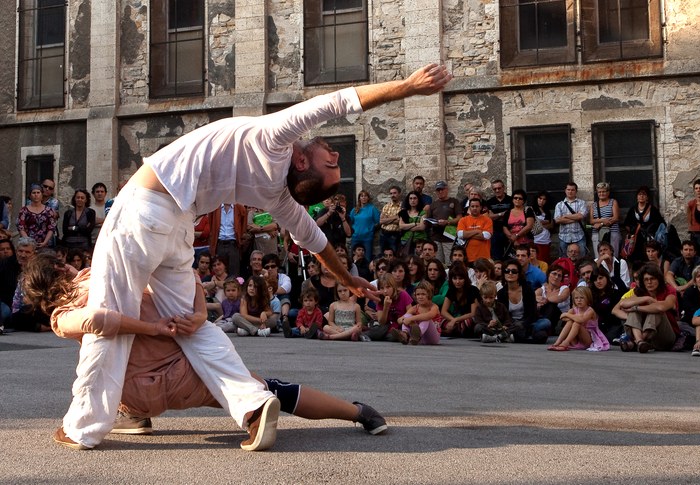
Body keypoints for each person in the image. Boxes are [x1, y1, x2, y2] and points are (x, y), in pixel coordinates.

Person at [61, 65, 450, 449]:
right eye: (335, 161)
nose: (334, 153)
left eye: (331, 162)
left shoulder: (273, 138)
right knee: (194, 326)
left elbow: (337, 102)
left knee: (109, 308)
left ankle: (84, 426)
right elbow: (316, 242)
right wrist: (348, 279)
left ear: (302, 163)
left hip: (145, 209)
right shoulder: (279, 198)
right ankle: (253, 404)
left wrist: (408, 87)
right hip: (179, 227)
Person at [22, 253, 387, 445]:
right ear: (62, 266)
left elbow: (96, 320)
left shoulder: (61, 316)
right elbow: (185, 276)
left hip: (133, 392)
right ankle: (358, 413)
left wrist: (145, 329)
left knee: (100, 367)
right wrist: (194, 316)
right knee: (262, 389)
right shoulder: (108, 274)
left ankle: (132, 418)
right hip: (185, 375)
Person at [613, 264, 679, 353]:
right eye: (646, 280)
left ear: (659, 279)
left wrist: (637, 308)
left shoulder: (669, 290)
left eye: (652, 279)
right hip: (644, 334)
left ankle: (636, 342)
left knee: (654, 310)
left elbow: (661, 307)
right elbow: (623, 304)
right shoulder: (640, 291)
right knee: (633, 311)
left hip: (664, 336)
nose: (649, 282)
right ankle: (640, 342)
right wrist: (647, 298)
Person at [496, 258, 551, 344]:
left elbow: (533, 314)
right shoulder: (501, 293)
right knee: (538, 334)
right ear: (504, 273)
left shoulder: (527, 290)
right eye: (507, 271)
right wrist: (512, 324)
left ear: (519, 274)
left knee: (546, 322)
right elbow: (503, 316)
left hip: (528, 322)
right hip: (511, 323)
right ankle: (523, 335)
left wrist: (523, 324)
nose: (510, 273)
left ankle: (514, 335)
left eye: (514, 271)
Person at [548, 287, 609, 351]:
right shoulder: (573, 310)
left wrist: (567, 314)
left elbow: (581, 320)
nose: (579, 300)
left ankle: (566, 342)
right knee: (570, 322)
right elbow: (562, 318)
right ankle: (558, 341)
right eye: (576, 298)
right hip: (576, 339)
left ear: (588, 298)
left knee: (577, 323)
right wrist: (571, 318)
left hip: (588, 339)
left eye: (582, 298)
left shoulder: (590, 311)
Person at [622, 186, 665, 264]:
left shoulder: (652, 209)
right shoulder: (633, 209)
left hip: (648, 236)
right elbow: (627, 223)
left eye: (644, 195)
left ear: (647, 197)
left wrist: (651, 229)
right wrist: (632, 230)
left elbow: (660, 223)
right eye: (639, 194)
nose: (641, 196)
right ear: (637, 197)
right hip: (636, 238)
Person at [367, 273, 413, 342]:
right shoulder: (380, 299)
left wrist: (402, 319)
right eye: (382, 288)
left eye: (388, 287)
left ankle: (401, 336)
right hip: (388, 327)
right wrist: (386, 307)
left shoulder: (403, 294)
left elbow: (410, 312)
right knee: (378, 332)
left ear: (393, 287)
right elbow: (381, 322)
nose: (385, 291)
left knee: (391, 336)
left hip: (402, 325)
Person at [440, 262, 479, 337]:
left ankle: (451, 331)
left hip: (470, 318)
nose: (457, 282)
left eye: (460, 278)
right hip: (458, 320)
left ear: (465, 279)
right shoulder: (451, 290)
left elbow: (473, 313)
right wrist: (452, 320)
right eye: (455, 278)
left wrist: (455, 320)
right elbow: (443, 311)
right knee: (439, 319)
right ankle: (455, 330)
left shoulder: (472, 290)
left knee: (469, 321)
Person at [397, 281, 441, 345]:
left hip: (432, 338)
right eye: (418, 294)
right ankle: (405, 334)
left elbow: (429, 315)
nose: (420, 297)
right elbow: (399, 320)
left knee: (425, 319)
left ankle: (417, 335)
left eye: (423, 294)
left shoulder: (434, 307)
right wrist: (404, 320)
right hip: (419, 340)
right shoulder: (415, 308)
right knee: (408, 315)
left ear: (429, 294)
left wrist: (411, 319)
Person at [428, 180, 461, 263]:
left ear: (447, 189)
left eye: (442, 189)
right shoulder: (433, 204)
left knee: (449, 261)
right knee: (438, 262)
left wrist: (447, 222)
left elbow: (459, 218)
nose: (440, 191)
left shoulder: (454, 201)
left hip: (449, 236)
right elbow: (428, 219)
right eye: (438, 190)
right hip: (436, 237)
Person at [554, 182, 588, 258]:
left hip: (579, 236)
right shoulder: (559, 205)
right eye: (568, 189)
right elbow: (558, 220)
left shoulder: (582, 203)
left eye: (572, 190)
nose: (570, 191)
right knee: (564, 259)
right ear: (565, 191)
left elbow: (581, 216)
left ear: (576, 191)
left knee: (582, 259)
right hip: (564, 236)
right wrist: (575, 218)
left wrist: (565, 216)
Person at [589, 267, 623, 342]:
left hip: (613, 326)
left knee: (607, 339)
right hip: (596, 326)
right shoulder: (590, 295)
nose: (598, 281)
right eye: (595, 280)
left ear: (607, 278)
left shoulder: (616, 293)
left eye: (600, 278)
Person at [17, 184, 56, 249]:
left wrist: (45, 242)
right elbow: (21, 227)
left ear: (42, 195)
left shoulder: (48, 210)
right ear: (30, 195)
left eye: (38, 192)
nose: (36, 195)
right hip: (28, 244)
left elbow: (51, 228)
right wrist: (29, 242)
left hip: (45, 244)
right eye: (34, 193)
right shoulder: (24, 210)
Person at [589, 182, 621, 257]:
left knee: (613, 255)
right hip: (597, 233)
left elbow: (615, 218)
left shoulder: (613, 202)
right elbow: (591, 221)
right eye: (599, 192)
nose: (601, 194)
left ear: (608, 192)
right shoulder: (593, 205)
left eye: (603, 191)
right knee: (598, 256)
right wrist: (603, 220)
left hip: (612, 232)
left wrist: (600, 223)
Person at [535, 265, 571, 331]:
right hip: (542, 316)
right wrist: (537, 302)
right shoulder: (541, 290)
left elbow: (561, 298)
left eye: (559, 275)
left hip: (559, 320)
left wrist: (545, 300)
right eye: (554, 274)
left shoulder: (565, 289)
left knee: (552, 305)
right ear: (548, 274)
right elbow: (533, 297)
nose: (556, 277)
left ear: (561, 279)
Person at [457, 198, 493, 264]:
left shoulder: (487, 220)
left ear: (481, 207)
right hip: (468, 257)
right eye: (472, 206)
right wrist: (477, 231)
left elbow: (486, 236)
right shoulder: (463, 220)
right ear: (469, 208)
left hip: (483, 258)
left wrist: (467, 234)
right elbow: (460, 235)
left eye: (477, 206)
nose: (474, 208)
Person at [349, 191, 380, 261]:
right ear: (359, 198)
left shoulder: (372, 209)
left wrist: (370, 229)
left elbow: (378, 222)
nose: (364, 198)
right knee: (353, 259)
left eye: (365, 196)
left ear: (368, 198)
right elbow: (350, 221)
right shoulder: (355, 210)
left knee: (367, 258)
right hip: (355, 237)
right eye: (362, 196)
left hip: (367, 238)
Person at [487, 180, 513, 261]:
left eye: (499, 188)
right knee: (496, 257)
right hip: (495, 232)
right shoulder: (490, 202)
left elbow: (512, 215)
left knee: (510, 256)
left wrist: (496, 215)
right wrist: (502, 214)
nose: (497, 190)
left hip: (509, 230)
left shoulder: (511, 200)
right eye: (495, 189)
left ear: (503, 188)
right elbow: (490, 217)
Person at [502, 190, 535, 255]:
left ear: (523, 201)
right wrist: (512, 238)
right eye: (515, 198)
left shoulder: (528, 210)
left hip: (527, 242)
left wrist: (516, 236)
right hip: (511, 243)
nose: (517, 200)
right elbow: (504, 227)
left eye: (520, 198)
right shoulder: (507, 212)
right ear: (512, 199)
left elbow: (529, 226)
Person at [531, 190, 553, 265]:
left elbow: (551, 225)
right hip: (536, 240)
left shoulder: (547, 211)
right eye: (540, 198)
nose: (542, 201)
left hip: (546, 239)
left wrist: (540, 222)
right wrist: (545, 222)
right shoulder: (531, 209)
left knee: (545, 262)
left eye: (544, 199)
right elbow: (532, 222)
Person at [378, 186, 402, 254]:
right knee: (383, 255)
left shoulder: (402, 207)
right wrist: (394, 217)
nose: (392, 195)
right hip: (383, 234)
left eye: (394, 193)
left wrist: (387, 219)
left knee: (394, 255)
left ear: (399, 194)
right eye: (391, 193)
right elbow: (381, 221)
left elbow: (399, 221)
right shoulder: (386, 206)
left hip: (395, 235)